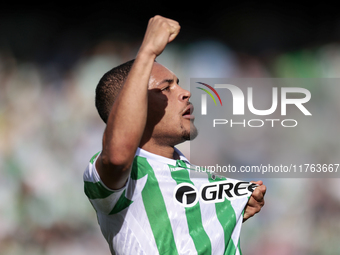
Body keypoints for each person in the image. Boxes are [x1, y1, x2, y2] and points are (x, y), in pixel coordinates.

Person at [83, 15, 266, 255]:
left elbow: (179, 237)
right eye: (165, 88)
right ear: (133, 103)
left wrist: (226, 213)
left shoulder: (195, 177)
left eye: (178, 84)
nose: (185, 92)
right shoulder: (117, 176)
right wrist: (147, 52)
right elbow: (117, 156)